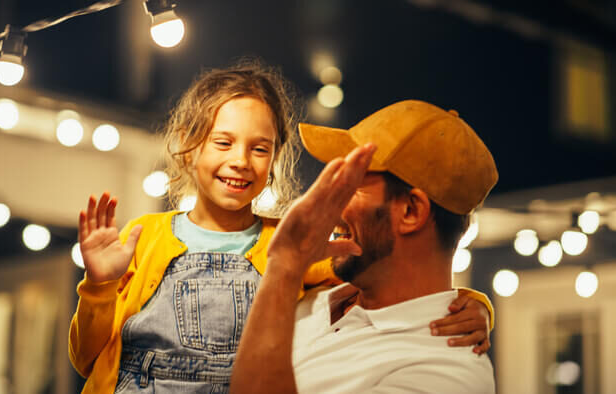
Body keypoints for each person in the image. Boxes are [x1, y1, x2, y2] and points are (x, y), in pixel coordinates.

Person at [69, 61, 492, 394]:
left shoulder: (443, 372)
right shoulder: (326, 299)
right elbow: (91, 356)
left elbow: (414, 291)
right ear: (187, 146)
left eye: (353, 183)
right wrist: (99, 287)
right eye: (223, 142)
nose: (240, 160)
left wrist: (465, 305)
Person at [231, 100, 498, 393]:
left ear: (410, 211)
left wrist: (284, 266)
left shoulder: (448, 374)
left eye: (350, 187)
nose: (328, 207)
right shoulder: (315, 295)